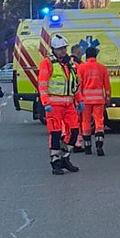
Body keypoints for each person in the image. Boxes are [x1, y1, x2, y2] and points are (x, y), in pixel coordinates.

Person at [37, 37, 81, 175]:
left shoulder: (69, 64)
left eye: (64, 48)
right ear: (54, 50)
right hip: (54, 105)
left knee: (74, 131)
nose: (63, 51)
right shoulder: (47, 63)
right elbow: (42, 84)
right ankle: (55, 161)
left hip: (69, 104)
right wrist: (46, 102)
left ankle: (65, 157)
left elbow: (74, 84)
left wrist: (79, 100)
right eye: (60, 49)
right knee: (55, 133)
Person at [77, 42, 111, 155]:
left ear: (86, 56)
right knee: (99, 122)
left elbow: (79, 85)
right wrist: (108, 98)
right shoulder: (102, 68)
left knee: (85, 122)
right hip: (99, 100)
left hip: (85, 101)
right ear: (96, 55)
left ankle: (87, 147)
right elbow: (107, 85)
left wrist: (78, 99)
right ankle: (99, 146)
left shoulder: (81, 68)